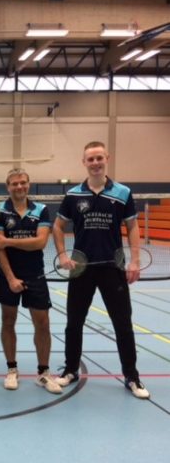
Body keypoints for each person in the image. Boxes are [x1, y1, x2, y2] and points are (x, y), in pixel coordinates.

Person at [53, 141, 150, 399]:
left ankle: (132, 376)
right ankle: (70, 370)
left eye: (99, 158)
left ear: (107, 158)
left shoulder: (122, 193)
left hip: (112, 268)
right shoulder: (73, 195)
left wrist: (135, 261)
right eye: (90, 159)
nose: (95, 163)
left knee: (123, 324)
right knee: (74, 323)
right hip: (81, 268)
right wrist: (62, 255)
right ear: (83, 162)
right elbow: (58, 226)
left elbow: (132, 227)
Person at [0, 168, 62, 394]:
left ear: (28, 184)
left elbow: (40, 242)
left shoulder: (41, 210)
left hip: (35, 274)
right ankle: (12, 370)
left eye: (23, 182)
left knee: (43, 323)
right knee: (8, 320)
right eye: (14, 183)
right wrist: (11, 278)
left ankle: (43, 373)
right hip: (7, 275)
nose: (19, 186)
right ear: (8, 186)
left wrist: (8, 241)